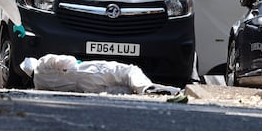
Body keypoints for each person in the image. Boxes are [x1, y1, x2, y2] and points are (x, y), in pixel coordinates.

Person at [20, 54, 181, 95]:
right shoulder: (42, 62)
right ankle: (148, 88)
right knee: (129, 71)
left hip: (84, 88)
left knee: (125, 90)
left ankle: (169, 91)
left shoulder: (38, 85)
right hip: (88, 71)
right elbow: (67, 61)